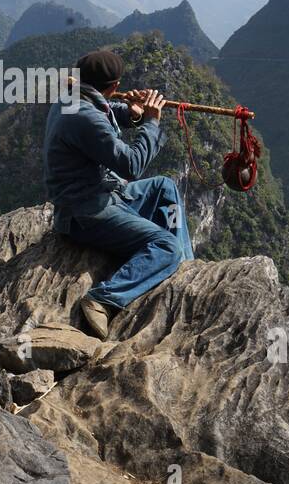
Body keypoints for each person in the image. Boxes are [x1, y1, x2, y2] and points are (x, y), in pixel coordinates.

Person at [43, 49, 194, 338]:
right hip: (87, 213)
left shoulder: (72, 98)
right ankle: (103, 298)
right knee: (165, 246)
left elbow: (106, 112)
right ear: (114, 86)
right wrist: (151, 122)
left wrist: (134, 114)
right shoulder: (84, 117)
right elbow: (131, 165)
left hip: (102, 195)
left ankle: (182, 265)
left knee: (165, 186)